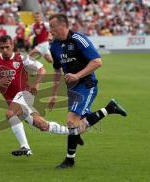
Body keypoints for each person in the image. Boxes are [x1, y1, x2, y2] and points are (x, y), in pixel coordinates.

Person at [48, 13, 127, 169]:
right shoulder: (54, 46)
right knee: (78, 127)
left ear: (63, 26)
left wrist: (77, 75)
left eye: (52, 27)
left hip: (87, 85)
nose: (50, 31)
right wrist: (54, 93)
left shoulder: (79, 40)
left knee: (71, 121)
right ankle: (109, 109)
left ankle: (69, 161)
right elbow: (57, 70)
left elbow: (97, 62)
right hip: (72, 88)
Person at [0, 35, 73, 156]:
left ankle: (25, 147)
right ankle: (72, 132)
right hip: (13, 101)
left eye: (7, 47)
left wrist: (36, 84)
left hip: (25, 94)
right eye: (1, 48)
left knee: (10, 114)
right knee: (42, 125)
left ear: (12, 45)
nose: (4, 50)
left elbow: (42, 69)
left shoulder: (22, 58)